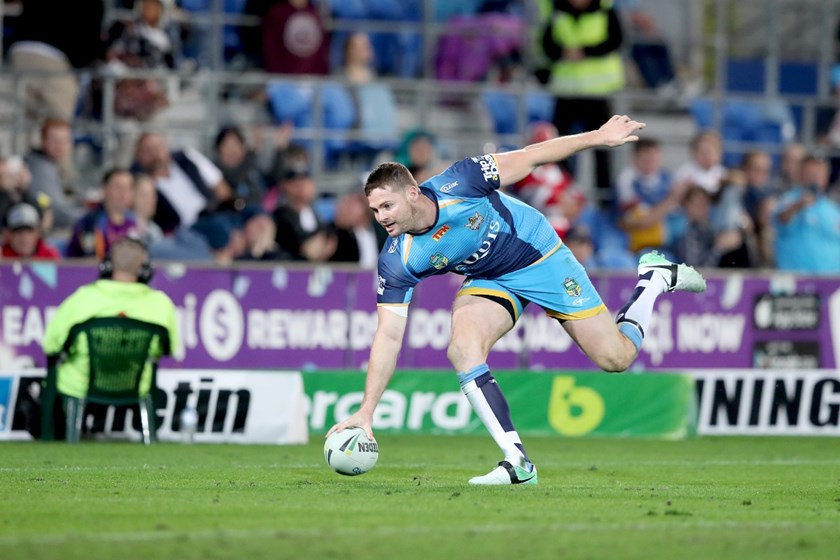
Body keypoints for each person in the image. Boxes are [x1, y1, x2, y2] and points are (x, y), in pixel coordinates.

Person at [327, 114, 707, 485]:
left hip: (538, 254)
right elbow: (389, 335)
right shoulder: (397, 259)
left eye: (387, 206)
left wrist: (597, 136)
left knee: (616, 358)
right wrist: (366, 411)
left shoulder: (461, 181)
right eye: (375, 210)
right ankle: (518, 463)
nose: (381, 217)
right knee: (463, 348)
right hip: (490, 278)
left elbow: (531, 156)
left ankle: (653, 281)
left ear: (412, 193)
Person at [42, 237, 179, 415]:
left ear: (105, 266)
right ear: (146, 270)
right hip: (136, 388)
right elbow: (170, 349)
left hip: (80, 387)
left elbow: (50, 345)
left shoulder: (83, 298)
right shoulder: (160, 304)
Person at [541, 0, 625, 206]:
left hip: (598, 94)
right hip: (566, 93)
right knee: (561, 147)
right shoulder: (557, 12)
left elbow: (616, 41)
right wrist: (563, 52)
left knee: (603, 149)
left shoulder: (605, 10)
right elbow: (546, 45)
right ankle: (563, 198)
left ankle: (604, 201)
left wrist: (585, 52)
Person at [66, 168, 138, 259]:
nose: (123, 194)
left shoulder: (134, 221)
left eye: (128, 188)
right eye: (118, 187)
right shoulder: (90, 222)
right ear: (104, 189)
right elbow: (90, 258)